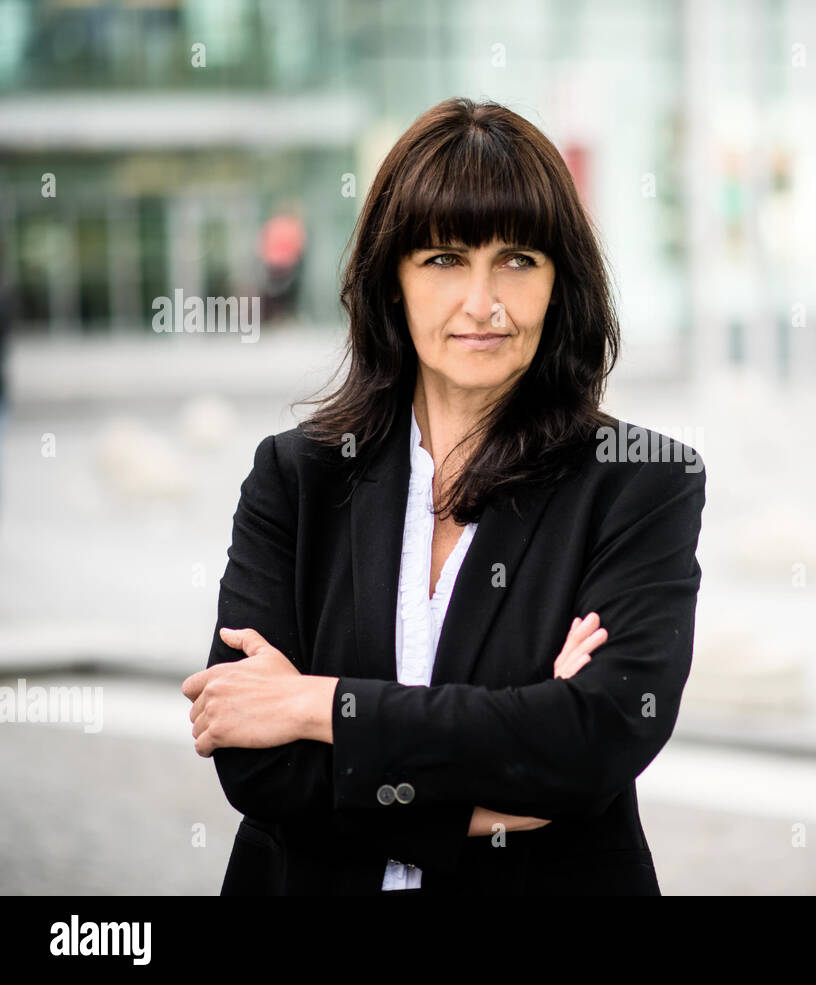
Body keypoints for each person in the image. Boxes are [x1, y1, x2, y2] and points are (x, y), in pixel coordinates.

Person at [180, 97, 706, 896]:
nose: (483, 301)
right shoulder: (296, 478)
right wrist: (490, 799)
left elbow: (592, 738)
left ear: (560, 281)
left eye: (519, 259)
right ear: (391, 280)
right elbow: (255, 762)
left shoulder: (639, 481)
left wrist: (316, 704)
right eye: (443, 259)